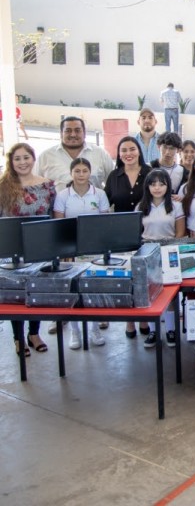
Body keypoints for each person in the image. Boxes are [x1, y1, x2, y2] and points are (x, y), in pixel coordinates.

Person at [0, 143, 56, 356]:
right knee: (15, 295)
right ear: (11, 162)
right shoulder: (3, 186)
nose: (22, 162)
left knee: (37, 291)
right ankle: (18, 338)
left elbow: (51, 215)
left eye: (26, 157)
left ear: (33, 159)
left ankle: (34, 333)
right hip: (11, 248)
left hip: (39, 247)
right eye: (18, 159)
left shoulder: (47, 185)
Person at [53, 157, 110, 349]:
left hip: (93, 249)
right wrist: (65, 250)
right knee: (74, 289)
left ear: (90, 172)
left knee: (92, 288)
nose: (81, 174)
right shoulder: (63, 196)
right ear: (71, 173)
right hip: (71, 250)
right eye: (77, 171)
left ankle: (94, 329)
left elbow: (104, 222)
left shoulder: (99, 194)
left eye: (84, 170)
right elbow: (59, 224)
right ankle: (75, 332)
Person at [138, 168, 186, 348]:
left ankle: (171, 330)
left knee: (170, 292)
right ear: (147, 186)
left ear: (168, 186)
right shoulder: (140, 206)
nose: (157, 188)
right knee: (150, 293)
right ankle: (153, 331)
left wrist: (171, 247)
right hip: (148, 251)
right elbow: (138, 233)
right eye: (153, 184)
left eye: (161, 184)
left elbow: (180, 233)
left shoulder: (175, 206)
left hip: (169, 251)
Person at [36, 116, 115, 192]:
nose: (73, 134)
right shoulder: (46, 156)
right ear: (61, 134)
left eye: (77, 130)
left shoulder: (100, 154)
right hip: (58, 206)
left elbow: (114, 185)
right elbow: (34, 186)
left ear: (84, 133)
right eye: (68, 131)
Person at [104, 136, 152, 214]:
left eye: (132, 149)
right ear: (119, 154)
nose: (128, 153)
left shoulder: (151, 173)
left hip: (147, 224)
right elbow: (104, 203)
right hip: (121, 224)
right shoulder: (113, 176)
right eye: (124, 150)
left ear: (139, 152)